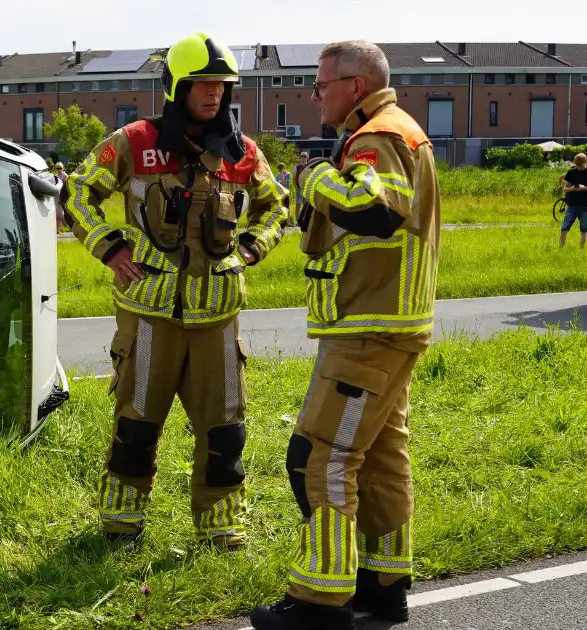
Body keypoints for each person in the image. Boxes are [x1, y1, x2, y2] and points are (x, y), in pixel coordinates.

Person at [63, 32, 290, 550]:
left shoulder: (243, 152)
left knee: (225, 429)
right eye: (202, 84)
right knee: (137, 424)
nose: (213, 94)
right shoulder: (133, 142)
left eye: (222, 85)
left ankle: (221, 528)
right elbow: (77, 193)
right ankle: (121, 526)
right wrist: (110, 249)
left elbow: (278, 206)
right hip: (148, 318)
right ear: (177, 88)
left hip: (218, 319)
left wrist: (252, 249)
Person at [249, 40, 440, 630]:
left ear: (356, 85)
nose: (314, 94)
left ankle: (319, 601)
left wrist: (311, 179)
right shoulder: (402, 131)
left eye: (320, 84)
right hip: (390, 324)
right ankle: (384, 587)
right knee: (381, 461)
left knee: (318, 459)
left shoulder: (376, 137)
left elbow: (374, 209)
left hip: (368, 328)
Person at [560, 153, 587, 248]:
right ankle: (562, 248)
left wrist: (584, 188)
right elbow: (565, 188)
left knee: (583, 230)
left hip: (584, 206)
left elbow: (564, 188)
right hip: (572, 205)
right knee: (565, 228)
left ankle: (581, 249)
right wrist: (571, 188)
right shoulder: (571, 172)